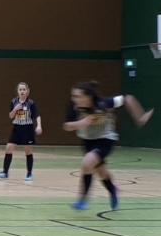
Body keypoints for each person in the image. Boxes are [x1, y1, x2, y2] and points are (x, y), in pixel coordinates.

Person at [63, 81, 153, 210]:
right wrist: (81, 123)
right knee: (102, 172)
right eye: (73, 96)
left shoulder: (103, 103)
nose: (74, 99)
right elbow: (66, 126)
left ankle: (83, 200)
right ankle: (112, 190)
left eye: (78, 96)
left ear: (88, 96)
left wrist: (140, 117)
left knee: (87, 164)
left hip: (105, 139)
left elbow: (128, 98)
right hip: (87, 141)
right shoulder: (74, 106)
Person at [0, 82, 42, 181]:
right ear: (17, 91)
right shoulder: (14, 101)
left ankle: (29, 174)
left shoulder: (31, 103)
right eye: (20, 89)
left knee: (28, 150)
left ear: (27, 91)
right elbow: (11, 116)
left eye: (24, 89)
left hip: (27, 128)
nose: (22, 91)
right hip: (17, 128)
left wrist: (39, 126)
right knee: (9, 148)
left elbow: (37, 115)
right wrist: (15, 109)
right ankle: (5, 172)